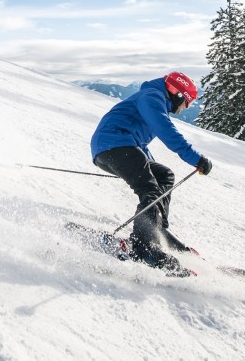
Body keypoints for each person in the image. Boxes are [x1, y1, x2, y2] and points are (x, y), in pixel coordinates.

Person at [90, 71, 212, 276]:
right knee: (150, 189)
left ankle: (157, 229)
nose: (184, 109)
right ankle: (145, 247)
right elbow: (166, 130)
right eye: (186, 103)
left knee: (164, 176)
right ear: (178, 94)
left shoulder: (153, 99)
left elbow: (140, 144)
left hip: (119, 146)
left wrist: (149, 166)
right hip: (113, 145)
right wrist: (196, 159)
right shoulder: (152, 98)